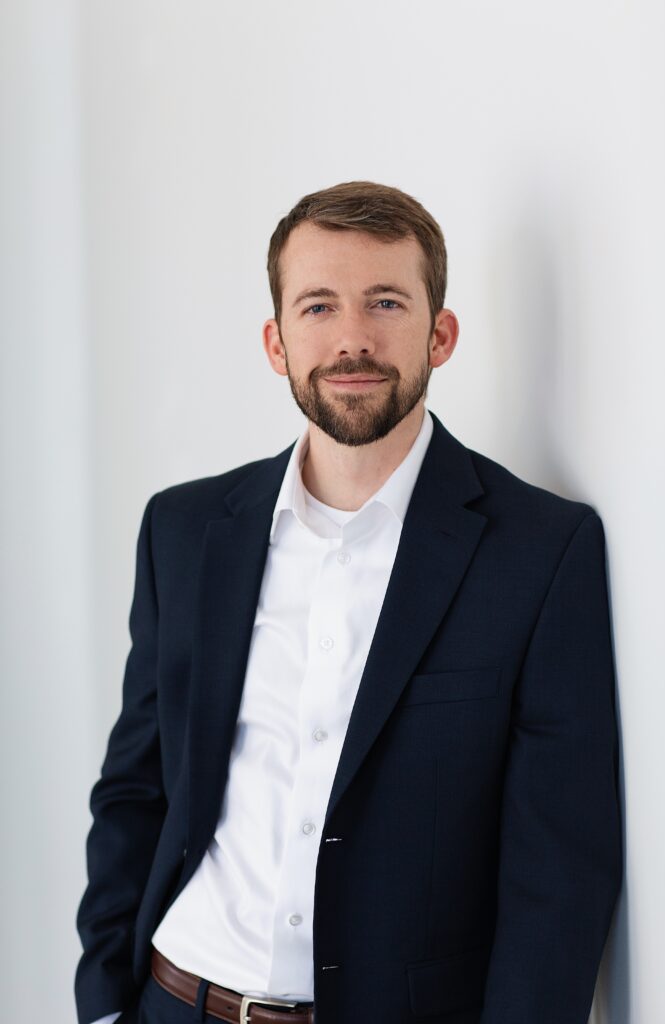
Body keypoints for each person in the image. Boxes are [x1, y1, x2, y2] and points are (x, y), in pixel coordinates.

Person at [75, 181, 622, 1024]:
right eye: (319, 307)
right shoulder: (183, 532)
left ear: (439, 333)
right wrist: (105, 1001)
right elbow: (135, 787)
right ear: (276, 341)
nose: (352, 339)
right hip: (175, 999)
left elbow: (558, 875)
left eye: (386, 302)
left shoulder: (540, 552)